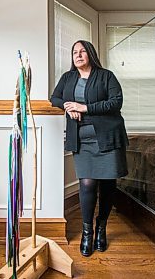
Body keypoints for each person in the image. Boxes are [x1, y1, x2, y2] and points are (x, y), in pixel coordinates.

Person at [50, 40, 128, 257]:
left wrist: (84, 107)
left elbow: (116, 102)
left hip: (108, 137)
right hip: (82, 141)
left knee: (108, 184)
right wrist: (68, 106)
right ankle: (87, 232)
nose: (78, 55)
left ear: (90, 53)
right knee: (87, 183)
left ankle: (101, 228)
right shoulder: (68, 77)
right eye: (74, 52)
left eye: (82, 51)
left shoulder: (106, 76)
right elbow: (54, 97)